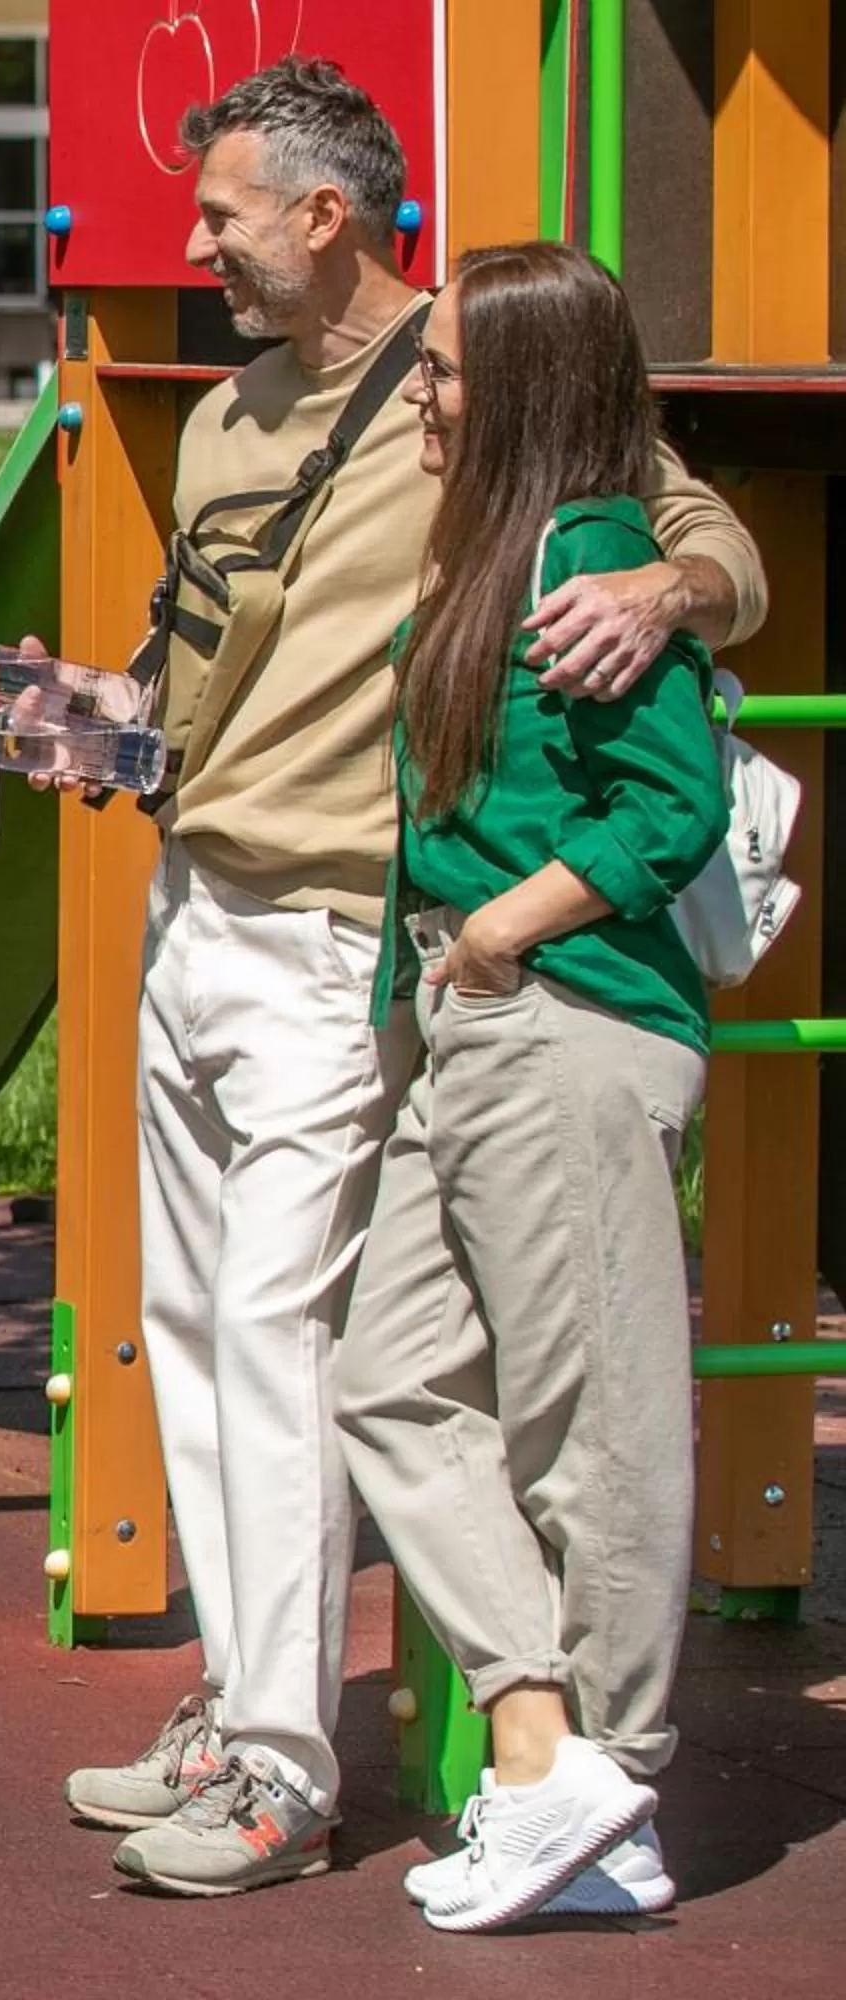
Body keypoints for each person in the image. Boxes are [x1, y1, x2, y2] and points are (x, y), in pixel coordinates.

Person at [50, 59, 768, 1898]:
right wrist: (116, 733)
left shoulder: (485, 397)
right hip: (196, 899)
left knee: (310, 1343)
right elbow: (220, 669)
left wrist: (658, 607)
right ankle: (245, 1699)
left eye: (221, 212)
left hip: (352, 937)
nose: (193, 242)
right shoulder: (222, 422)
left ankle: (300, 1764)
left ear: (325, 213)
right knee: (205, 1340)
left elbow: (714, 555)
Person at [333, 241, 722, 1932]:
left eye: (445, 376)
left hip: (559, 1018)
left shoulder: (591, 552)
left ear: (524, 394)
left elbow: (669, 804)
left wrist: (503, 924)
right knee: (391, 1374)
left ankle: (611, 1777)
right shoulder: (509, 546)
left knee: (591, 1426)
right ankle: (547, 1748)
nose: (419, 395)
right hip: (476, 1016)